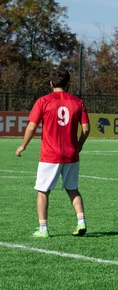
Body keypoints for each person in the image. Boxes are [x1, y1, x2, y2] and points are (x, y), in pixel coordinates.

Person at [16, 68, 90, 237]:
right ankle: (81, 222)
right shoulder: (78, 102)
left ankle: (43, 229)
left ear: (51, 83)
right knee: (73, 189)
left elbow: (32, 126)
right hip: (71, 155)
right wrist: (79, 144)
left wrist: (23, 145)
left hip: (50, 155)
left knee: (43, 191)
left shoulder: (43, 101)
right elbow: (86, 128)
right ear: (68, 84)